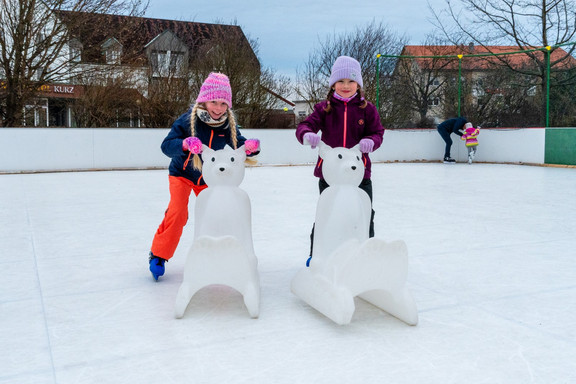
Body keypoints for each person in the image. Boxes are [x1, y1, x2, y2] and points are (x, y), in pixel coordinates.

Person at [149, 72, 260, 281]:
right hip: (181, 174)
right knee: (178, 212)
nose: (218, 108)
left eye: (223, 103)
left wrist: (251, 148)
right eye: (214, 102)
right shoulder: (186, 120)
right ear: (204, 100)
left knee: (216, 214)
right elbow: (166, 146)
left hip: (209, 180)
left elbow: (239, 145)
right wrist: (184, 144)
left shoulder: (227, 125)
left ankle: (218, 254)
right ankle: (158, 254)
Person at [295, 55, 385, 266]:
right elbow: (304, 126)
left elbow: (378, 133)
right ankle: (316, 255)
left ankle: (366, 256)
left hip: (360, 174)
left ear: (358, 84)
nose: (346, 86)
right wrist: (307, 135)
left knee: (364, 214)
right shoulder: (324, 108)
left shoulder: (367, 109)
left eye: (351, 81)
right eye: (341, 81)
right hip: (330, 175)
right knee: (327, 214)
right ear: (333, 83)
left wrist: (371, 141)